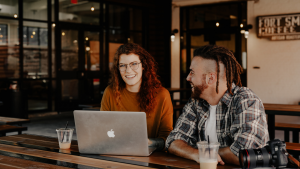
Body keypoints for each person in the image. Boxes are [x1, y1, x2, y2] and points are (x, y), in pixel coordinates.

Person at [165, 45, 269, 165]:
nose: (188, 78)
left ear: (211, 78)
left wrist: (203, 153)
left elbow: (244, 153)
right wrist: (196, 154)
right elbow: (173, 141)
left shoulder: (246, 100)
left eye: (192, 72)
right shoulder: (196, 102)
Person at [101, 43, 173, 151]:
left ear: (143, 65)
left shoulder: (162, 95)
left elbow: (167, 138)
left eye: (134, 64)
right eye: (122, 65)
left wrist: (149, 142)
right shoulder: (110, 92)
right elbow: (101, 129)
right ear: (118, 69)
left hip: (151, 157)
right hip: (115, 152)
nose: (128, 70)